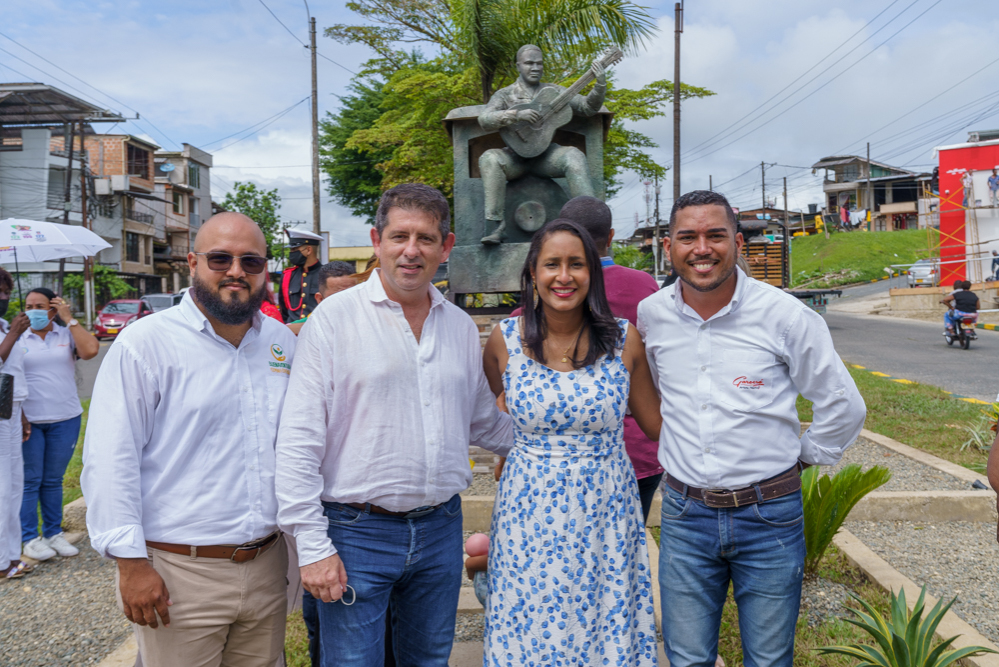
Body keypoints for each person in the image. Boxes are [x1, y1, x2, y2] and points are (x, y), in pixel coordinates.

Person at [275, 183, 514, 666]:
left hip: (440, 530)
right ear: (376, 241)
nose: (411, 250)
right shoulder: (334, 320)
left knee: (427, 660)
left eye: (426, 238)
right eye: (399, 236)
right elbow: (299, 439)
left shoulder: (460, 327)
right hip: (355, 532)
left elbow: (483, 422)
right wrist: (312, 546)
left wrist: (560, 440)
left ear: (445, 247)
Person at [638, 190, 866, 667]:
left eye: (715, 235)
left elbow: (843, 405)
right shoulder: (652, 316)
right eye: (688, 237)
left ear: (737, 242)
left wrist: (804, 458)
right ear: (668, 247)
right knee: (686, 657)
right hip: (684, 514)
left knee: (767, 658)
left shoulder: (784, 315)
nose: (702, 248)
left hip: (770, 517)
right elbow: (661, 396)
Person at [81, 213, 297, 667]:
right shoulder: (147, 343)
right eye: (220, 258)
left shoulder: (280, 343)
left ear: (265, 270)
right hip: (180, 574)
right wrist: (131, 563)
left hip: (266, 564)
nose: (236, 271)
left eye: (251, 261)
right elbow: (110, 458)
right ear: (193, 263)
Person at [481, 219, 662, 665]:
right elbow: (494, 407)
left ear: (592, 273)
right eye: (552, 264)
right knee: (532, 618)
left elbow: (658, 427)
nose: (564, 276)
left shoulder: (624, 338)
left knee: (601, 617)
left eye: (576, 264)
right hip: (528, 511)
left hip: (606, 508)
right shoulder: (504, 340)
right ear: (533, 273)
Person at [505, 195, 664, 522]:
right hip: (639, 450)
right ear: (610, 238)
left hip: (550, 465)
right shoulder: (645, 286)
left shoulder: (522, 325)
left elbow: (502, 403)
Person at [477, 44, 605, 244]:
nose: (535, 68)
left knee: (574, 156)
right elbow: (484, 119)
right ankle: (495, 227)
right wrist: (516, 115)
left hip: (546, 157)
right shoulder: (505, 94)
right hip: (514, 158)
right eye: (529, 63)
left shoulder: (553, 91)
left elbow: (587, 107)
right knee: (489, 158)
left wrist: (600, 86)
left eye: (539, 63)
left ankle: (589, 226)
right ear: (518, 66)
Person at [19, 287, 99, 561]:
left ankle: (53, 533)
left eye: (40, 306)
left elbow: (90, 350)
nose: (34, 311)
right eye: (29, 305)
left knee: (52, 480)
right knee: (31, 481)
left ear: (53, 309)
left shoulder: (65, 334)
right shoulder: (17, 336)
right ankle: (30, 538)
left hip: (65, 418)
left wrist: (70, 318)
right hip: (29, 421)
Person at [0, 269, 31, 579]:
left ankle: (9, 556)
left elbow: (11, 374)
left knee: (12, 487)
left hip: (9, 411)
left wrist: (21, 415)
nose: (3, 298)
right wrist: (13, 336)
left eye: (6, 293)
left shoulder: (4, 325)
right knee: (0, 487)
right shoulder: (9, 330)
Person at [287, 261, 358, 336]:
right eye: (338, 297)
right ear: (320, 299)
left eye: (352, 294)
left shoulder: (368, 323)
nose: (346, 302)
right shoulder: (294, 331)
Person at [279, 229, 324, 323]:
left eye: (295, 249)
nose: (291, 253)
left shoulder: (326, 275)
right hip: (293, 334)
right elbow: (284, 311)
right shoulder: (288, 276)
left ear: (308, 250)